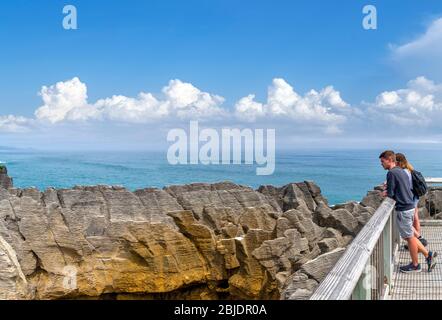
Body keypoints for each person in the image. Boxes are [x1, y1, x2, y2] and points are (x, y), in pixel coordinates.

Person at [379, 150, 437, 273]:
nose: (381, 164)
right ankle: (428, 255)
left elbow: (391, 193)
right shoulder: (401, 171)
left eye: (382, 161)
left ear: (390, 160)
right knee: (410, 235)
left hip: (403, 209)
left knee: (409, 237)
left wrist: (385, 193)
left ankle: (415, 265)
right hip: (410, 206)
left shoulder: (391, 173)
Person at [396, 153, 428, 249]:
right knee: (415, 217)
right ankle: (417, 241)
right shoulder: (410, 169)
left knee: (411, 220)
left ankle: (417, 241)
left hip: (410, 197)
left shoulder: (404, 172)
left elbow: (405, 186)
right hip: (415, 196)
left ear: (398, 162)